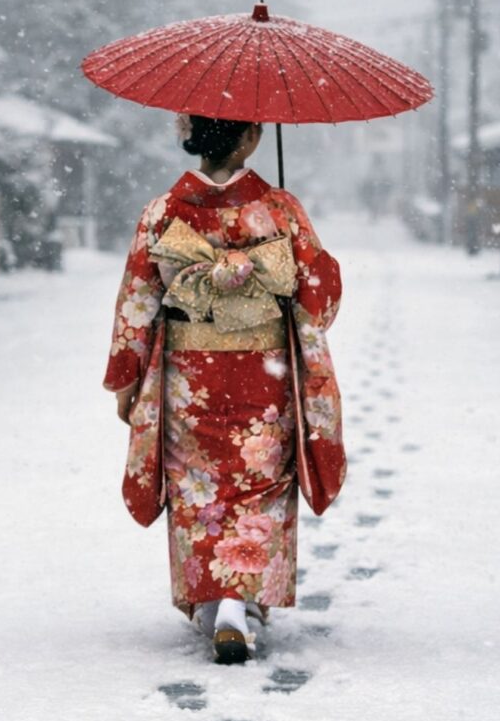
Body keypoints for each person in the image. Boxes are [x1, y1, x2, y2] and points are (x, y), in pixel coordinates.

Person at [103, 114, 346, 664]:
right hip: (265, 376)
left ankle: (216, 600)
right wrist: (301, 254)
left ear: (189, 136)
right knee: (258, 479)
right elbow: (318, 296)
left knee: (198, 486)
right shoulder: (279, 210)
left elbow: (137, 300)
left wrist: (127, 375)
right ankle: (244, 600)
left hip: (191, 376)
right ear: (253, 138)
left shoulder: (163, 212)